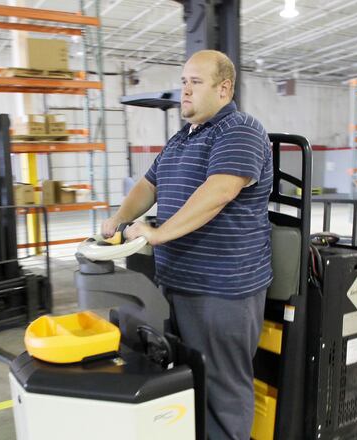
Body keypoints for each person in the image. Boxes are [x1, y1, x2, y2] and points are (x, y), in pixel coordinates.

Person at [101, 49, 273, 440]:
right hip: (177, 283)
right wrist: (118, 220)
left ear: (224, 88)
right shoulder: (182, 138)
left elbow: (220, 191)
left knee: (222, 390)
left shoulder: (241, 130)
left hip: (222, 290)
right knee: (187, 381)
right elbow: (148, 185)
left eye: (196, 82)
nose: (185, 91)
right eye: (183, 82)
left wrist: (158, 233)